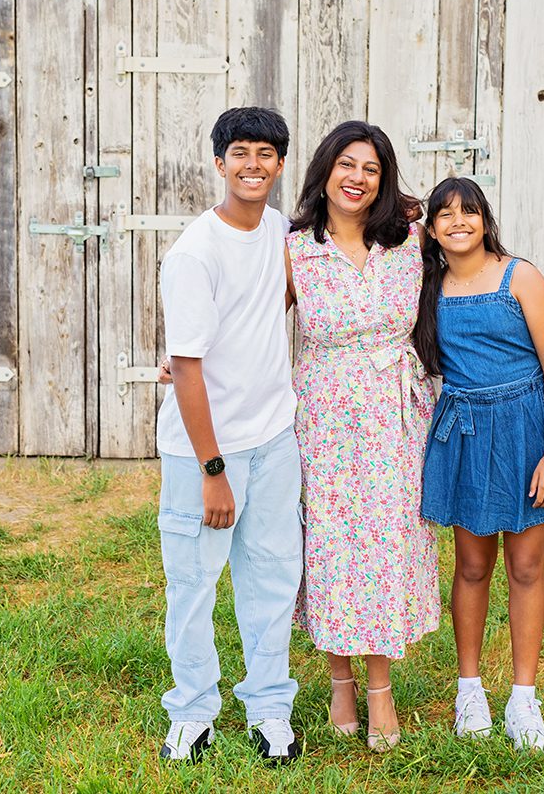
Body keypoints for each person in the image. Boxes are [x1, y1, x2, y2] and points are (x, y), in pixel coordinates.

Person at [285, 121, 441, 752]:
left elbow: (467, 260)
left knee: (386, 542)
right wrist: (185, 359)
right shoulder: (295, 249)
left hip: (398, 415)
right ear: (324, 171)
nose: (357, 178)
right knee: (332, 543)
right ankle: (342, 681)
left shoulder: (408, 238)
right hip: (325, 416)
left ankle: (380, 686)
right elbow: (252, 321)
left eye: (371, 168)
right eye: (346, 164)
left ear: (385, 179)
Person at [155, 107, 302, 764]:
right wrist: (214, 469)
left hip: (273, 437)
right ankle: (192, 713)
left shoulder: (280, 231)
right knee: (193, 580)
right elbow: (185, 367)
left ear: (279, 164)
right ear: (219, 162)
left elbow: (276, 302)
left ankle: (270, 708)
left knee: (271, 575)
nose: (253, 164)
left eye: (266, 153)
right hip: (204, 452)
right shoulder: (195, 251)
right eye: (240, 152)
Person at [412, 177, 544, 754]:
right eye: (445, 215)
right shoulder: (426, 283)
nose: (459, 222)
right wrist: (413, 214)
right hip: (465, 432)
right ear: (431, 228)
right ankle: (470, 690)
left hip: (525, 431)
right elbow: (388, 226)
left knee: (526, 567)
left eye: (469, 212)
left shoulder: (518, 276)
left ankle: (523, 699)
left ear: (486, 219)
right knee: (472, 566)